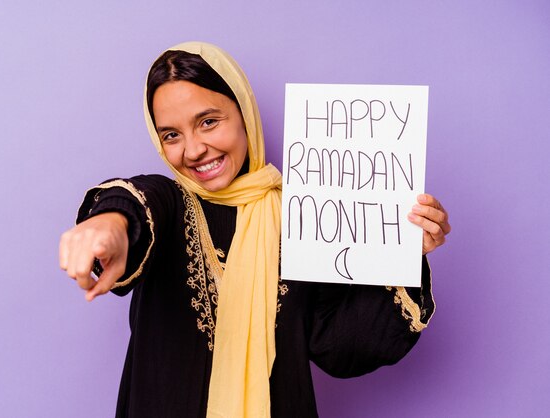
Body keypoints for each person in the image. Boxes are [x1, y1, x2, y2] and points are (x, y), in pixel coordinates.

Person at [59, 42, 451, 418]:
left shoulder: (304, 217)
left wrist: (402, 251)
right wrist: (108, 224)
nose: (193, 149)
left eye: (208, 122)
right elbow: (138, 203)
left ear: (244, 114)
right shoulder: (169, 201)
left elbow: (339, 345)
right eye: (172, 135)